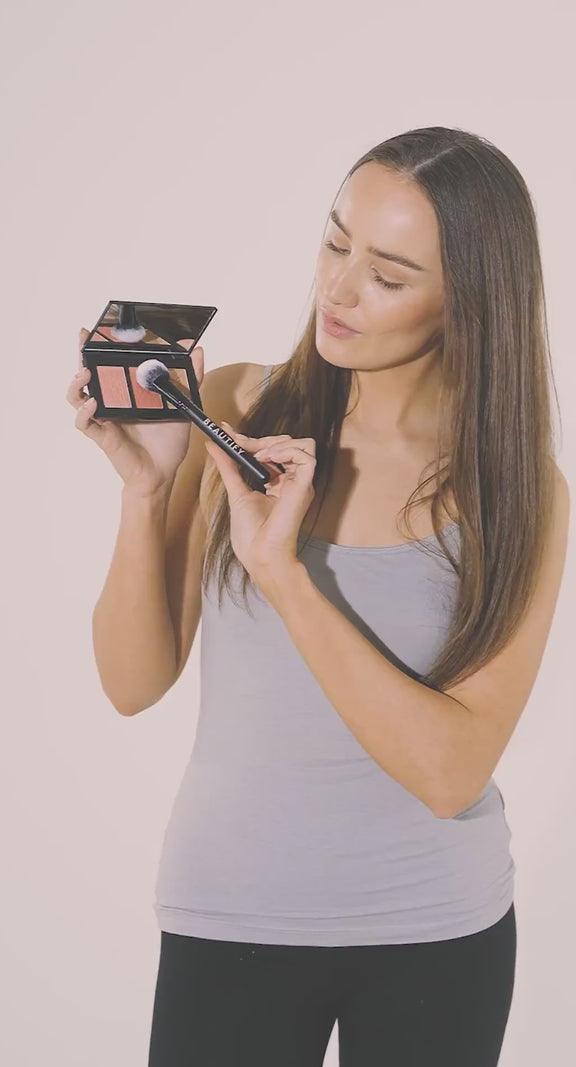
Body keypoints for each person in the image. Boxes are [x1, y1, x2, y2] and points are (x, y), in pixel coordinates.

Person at [66, 126, 570, 1067]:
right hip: (230, 914)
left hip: (436, 931)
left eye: (386, 275)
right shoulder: (237, 407)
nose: (337, 290)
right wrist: (145, 492)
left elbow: (451, 774)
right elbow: (131, 683)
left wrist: (284, 574)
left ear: (467, 300)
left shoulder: (516, 490)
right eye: (336, 242)